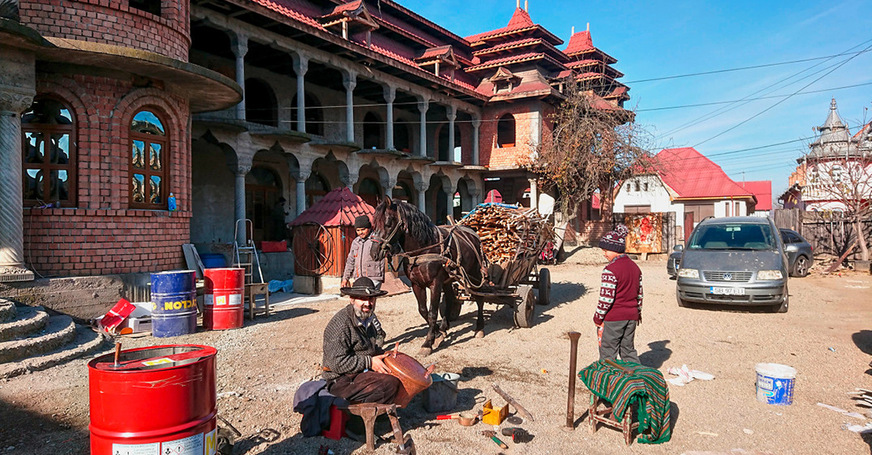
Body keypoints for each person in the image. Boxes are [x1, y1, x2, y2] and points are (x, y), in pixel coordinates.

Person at [321, 277, 400, 404]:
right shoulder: (340, 324)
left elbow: (368, 348)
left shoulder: (366, 319)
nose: (368, 303)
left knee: (395, 373)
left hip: (359, 372)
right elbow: (336, 363)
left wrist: (386, 355)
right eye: (363, 299)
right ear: (352, 299)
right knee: (389, 384)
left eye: (371, 299)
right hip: (340, 380)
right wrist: (369, 362)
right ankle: (356, 414)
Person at [593, 224, 643, 364]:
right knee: (628, 350)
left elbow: (606, 299)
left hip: (614, 318)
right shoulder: (635, 268)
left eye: (606, 250)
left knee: (608, 351)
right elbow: (639, 295)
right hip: (631, 317)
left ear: (615, 249)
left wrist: (598, 317)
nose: (604, 254)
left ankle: (608, 376)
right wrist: (638, 313)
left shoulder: (610, 270)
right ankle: (637, 375)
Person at [341, 215, 384, 289]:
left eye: (363, 229)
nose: (360, 232)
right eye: (358, 230)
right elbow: (350, 261)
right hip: (359, 278)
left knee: (370, 296)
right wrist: (345, 278)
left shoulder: (376, 240)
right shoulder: (356, 242)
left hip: (373, 277)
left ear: (369, 228)